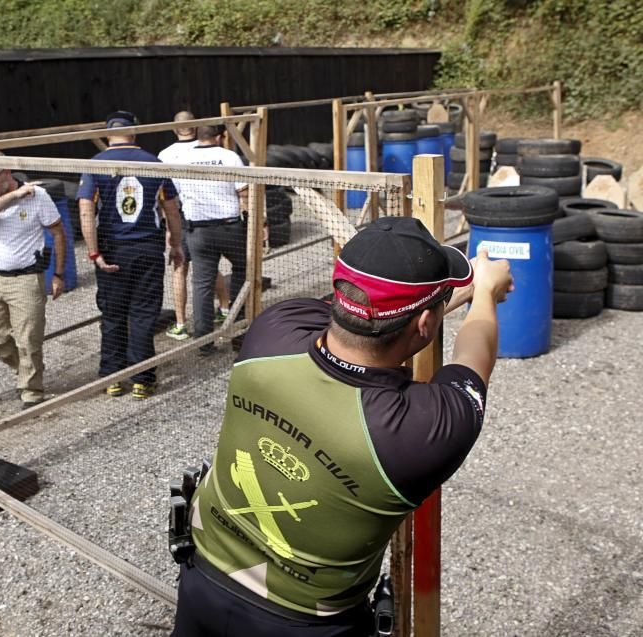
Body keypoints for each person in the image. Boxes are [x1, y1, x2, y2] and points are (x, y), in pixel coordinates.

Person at [171, 216, 514, 636]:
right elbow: (474, 352)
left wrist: (433, 302)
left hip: (202, 571)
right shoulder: (422, 432)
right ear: (425, 325)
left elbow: (361, 318)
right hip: (306, 621)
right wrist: (485, 293)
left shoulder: (274, 330)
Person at [77, 110, 185, 400]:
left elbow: (86, 209)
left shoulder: (95, 165)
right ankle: (142, 379)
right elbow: (171, 209)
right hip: (147, 247)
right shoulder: (153, 163)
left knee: (112, 314)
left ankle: (113, 377)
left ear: (108, 134)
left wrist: (93, 251)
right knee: (143, 313)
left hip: (112, 247)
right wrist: (176, 244)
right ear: (134, 133)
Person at [0, 150, 67, 409]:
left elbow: (57, 232)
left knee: (29, 339)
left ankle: (32, 393)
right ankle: (26, 370)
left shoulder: (39, 197)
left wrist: (58, 274)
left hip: (26, 278)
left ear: (7, 173)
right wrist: (13, 196)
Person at [167, 123, 249, 354]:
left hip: (198, 230)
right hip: (229, 227)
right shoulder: (230, 157)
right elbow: (244, 193)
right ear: (220, 137)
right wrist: (258, 222)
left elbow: (174, 196)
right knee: (244, 272)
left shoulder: (182, 160)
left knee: (202, 284)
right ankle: (240, 329)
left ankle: (204, 342)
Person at [158, 111, 232, 341]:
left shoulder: (165, 154)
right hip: (205, 214)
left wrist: (169, 227)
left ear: (174, 128)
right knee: (207, 265)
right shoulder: (208, 149)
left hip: (180, 212)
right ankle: (225, 307)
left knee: (180, 268)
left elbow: (163, 194)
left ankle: (181, 324)